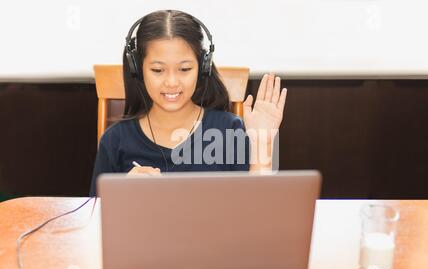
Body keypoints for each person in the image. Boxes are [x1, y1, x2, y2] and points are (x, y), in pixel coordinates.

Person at [89, 9, 287, 196]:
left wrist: (264, 143)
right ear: (138, 70)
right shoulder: (115, 141)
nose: (172, 82)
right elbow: (97, 219)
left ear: (203, 68)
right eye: (158, 70)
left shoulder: (229, 129)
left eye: (184, 69)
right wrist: (123, 193)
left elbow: (255, 212)